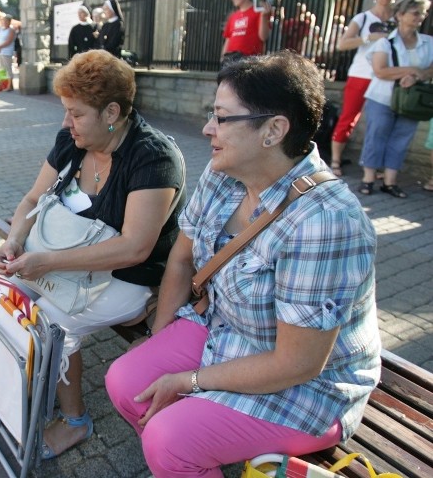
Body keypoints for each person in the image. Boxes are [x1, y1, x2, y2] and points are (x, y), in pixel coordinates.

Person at [105, 51, 380, 478]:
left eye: (221, 117)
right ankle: (189, 454)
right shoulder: (225, 172)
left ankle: (184, 452)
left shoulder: (325, 222)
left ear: (273, 130)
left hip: (310, 387)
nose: (207, 129)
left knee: (168, 440)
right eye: (210, 114)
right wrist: (158, 339)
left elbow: (298, 364)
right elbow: (181, 259)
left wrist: (189, 381)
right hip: (226, 329)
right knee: (126, 383)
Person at [0, 49, 185, 460]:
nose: (65, 122)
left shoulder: (152, 156)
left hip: (130, 280)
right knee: (8, 296)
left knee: (52, 325)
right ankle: (14, 387)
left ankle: (75, 421)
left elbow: (135, 248)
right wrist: (16, 237)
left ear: (111, 111)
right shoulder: (73, 141)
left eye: (76, 113)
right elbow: (31, 199)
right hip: (70, 261)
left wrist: (44, 262)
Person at [358, 0, 433, 198]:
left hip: (412, 100)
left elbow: (431, 69)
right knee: (376, 136)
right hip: (382, 97)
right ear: (400, 15)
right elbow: (380, 70)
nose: (421, 17)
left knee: (402, 138)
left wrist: (418, 76)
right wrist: (412, 70)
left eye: (423, 13)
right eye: (415, 13)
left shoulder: (429, 42)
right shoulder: (385, 42)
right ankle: (368, 178)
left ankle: (390, 181)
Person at [330, 0, 403, 175]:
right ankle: (335, 160)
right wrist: (368, 38)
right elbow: (342, 43)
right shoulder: (363, 18)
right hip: (361, 74)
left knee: (380, 122)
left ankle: (373, 165)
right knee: (349, 117)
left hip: (386, 77)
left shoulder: (398, 20)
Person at [220, 0, 272, 66]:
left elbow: (263, 37)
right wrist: (222, 57)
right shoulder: (233, 16)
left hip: (249, 59)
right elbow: (228, 39)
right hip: (230, 58)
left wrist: (263, 16)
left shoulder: (259, 12)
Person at [0, 14, 16, 91]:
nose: (4, 22)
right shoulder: (0, 29)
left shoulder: (11, 30)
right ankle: (4, 85)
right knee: (1, 68)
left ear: (9, 22)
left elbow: (8, 41)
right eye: (4, 21)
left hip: (6, 52)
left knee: (7, 68)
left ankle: (9, 86)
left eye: (6, 21)